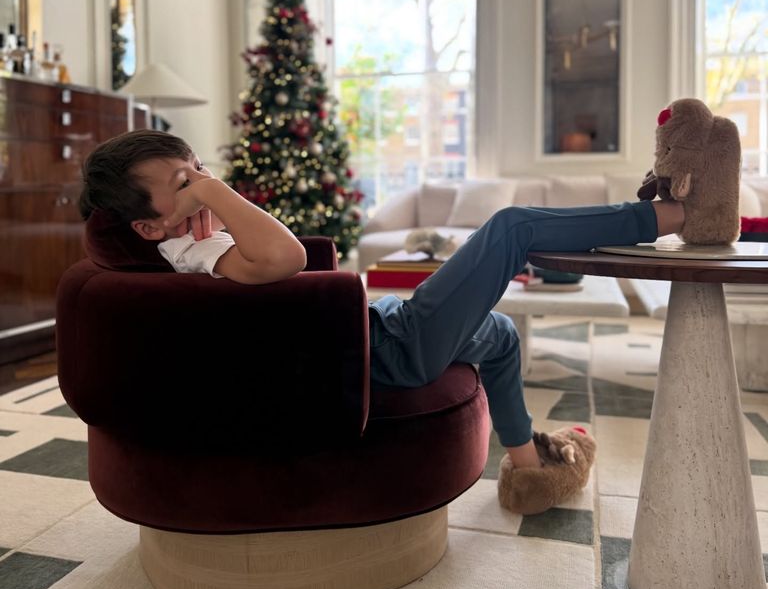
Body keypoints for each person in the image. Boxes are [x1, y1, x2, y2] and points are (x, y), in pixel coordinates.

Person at [79, 129, 686, 507]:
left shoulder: (192, 249)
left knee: (499, 335)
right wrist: (214, 195)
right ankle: (668, 217)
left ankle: (529, 471)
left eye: (200, 172)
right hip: (386, 350)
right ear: (148, 226)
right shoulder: (196, 256)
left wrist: (202, 189)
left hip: (377, 328)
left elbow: (280, 259)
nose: (203, 187)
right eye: (184, 183)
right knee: (512, 228)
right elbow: (287, 256)